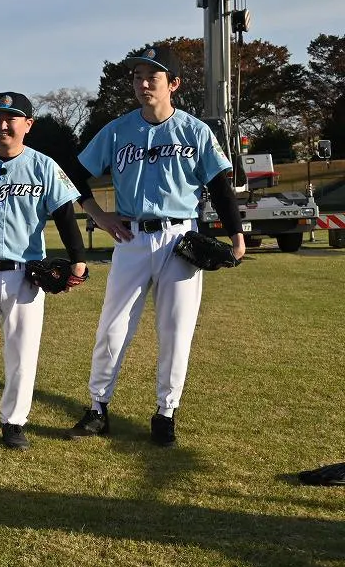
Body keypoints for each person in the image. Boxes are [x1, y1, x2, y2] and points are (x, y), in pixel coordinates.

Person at [67, 46, 245, 446]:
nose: (143, 83)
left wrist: (236, 237)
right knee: (112, 329)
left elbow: (219, 183)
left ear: (174, 84)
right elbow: (75, 173)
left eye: (153, 76)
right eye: (137, 76)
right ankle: (97, 407)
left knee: (175, 330)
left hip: (180, 239)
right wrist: (99, 215)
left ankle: (166, 413)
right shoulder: (116, 130)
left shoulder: (195, 130)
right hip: (130, 238)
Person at [0, 92, 86, 453]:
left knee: (22, 351)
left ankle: (14, 422)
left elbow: (64, 214)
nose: (3, 125)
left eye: (11, 118)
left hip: (27, 275)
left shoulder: (43, 165)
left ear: (28, 124)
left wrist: (78, 258)